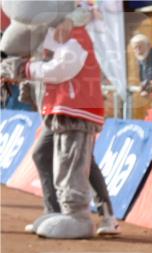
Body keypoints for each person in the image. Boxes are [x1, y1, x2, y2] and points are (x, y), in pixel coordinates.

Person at [17, 14, 114, 238]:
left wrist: (25, 69)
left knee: (82, 163)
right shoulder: (49, 37)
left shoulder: (76, 38)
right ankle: (55, 210)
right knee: (43, 154)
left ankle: (102, 214)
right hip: (57, 112)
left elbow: (58, 69)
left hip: (76, 110)